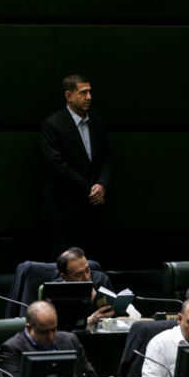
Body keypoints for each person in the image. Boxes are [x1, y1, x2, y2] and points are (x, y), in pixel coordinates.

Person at [40, 75, 110, 252]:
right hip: (65, 210)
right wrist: (90, 189)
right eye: (83, 92)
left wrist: (102, 184)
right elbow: (57, 165)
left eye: (90, 92)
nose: (89, 97)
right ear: (68, 95)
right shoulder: (53, 125)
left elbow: (107, 159)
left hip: (95, 210)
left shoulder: (97, 123)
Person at [0, 300, 101, 377]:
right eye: (44, 332)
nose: (51, 337)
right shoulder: (12, 349)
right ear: (29, 328)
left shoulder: (70, 340)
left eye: (54, 329)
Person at [55, 247, 115, 327]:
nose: (87, 277)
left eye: (87, 270)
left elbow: (113, 312)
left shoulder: (101, 279)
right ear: (64, 277)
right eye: (78, 275)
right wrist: (90, 321)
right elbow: (58, 326)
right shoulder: (54, 290)